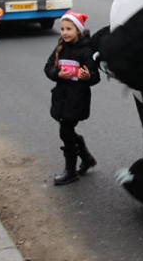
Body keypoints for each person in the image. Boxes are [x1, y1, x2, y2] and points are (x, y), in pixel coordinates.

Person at [44, 10, 101, 185]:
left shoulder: (86, 51)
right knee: (66, 129)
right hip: (61, 97)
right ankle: (86, 157)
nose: (65, 33)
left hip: (77, 99)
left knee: (65, 132)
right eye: (62, 29)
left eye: (69, 29)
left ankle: (70, 171)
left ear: (78, 30)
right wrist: (58, 73)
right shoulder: (60, 48)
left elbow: (95, 76)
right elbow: (48, 68)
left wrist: (87, 77)